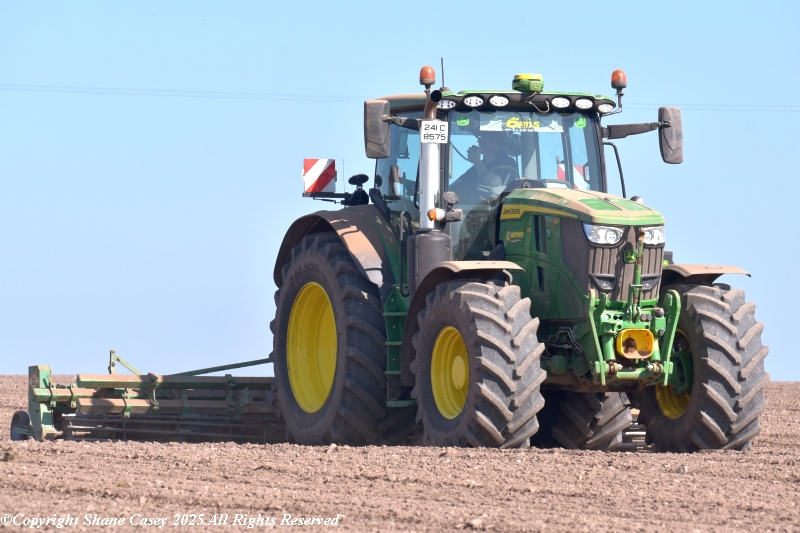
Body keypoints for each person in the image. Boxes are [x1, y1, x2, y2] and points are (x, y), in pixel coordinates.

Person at [450, 132, 518, 204]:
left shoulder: (508, 162)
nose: (478, 141)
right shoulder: (479, 165)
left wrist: (476, 160)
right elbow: (454, 186)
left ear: (493, 141)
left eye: (482, 137)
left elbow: (495, 184)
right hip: (475, 210)